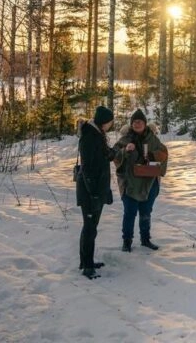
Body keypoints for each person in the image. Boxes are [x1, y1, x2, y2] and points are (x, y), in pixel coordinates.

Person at [113, 108, 168, 252]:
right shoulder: (125, 139)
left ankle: (145, 239)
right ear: (131, 124)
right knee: (130, 213)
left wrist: (152, 155)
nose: (137, 124)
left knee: (145, 212)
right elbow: (114, 156)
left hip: (149, 183)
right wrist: (125, 151)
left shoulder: (152, 138)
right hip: (130, 183)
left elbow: (164, 153)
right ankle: (127, 242)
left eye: (140, 122)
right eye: (134, 122)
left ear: (144, 123)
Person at [76, 105, 115, 279]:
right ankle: (87, 266)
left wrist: (114, 153)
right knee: (90, 228)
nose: (111, 125)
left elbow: (102, 156)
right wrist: (94, 193)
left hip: (96, 190)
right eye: (110, 121)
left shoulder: (97, 135)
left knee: (91, 228)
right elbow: (87, 168)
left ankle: (87, 261)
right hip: (90, 192)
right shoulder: (90, 137)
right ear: (104, 122)